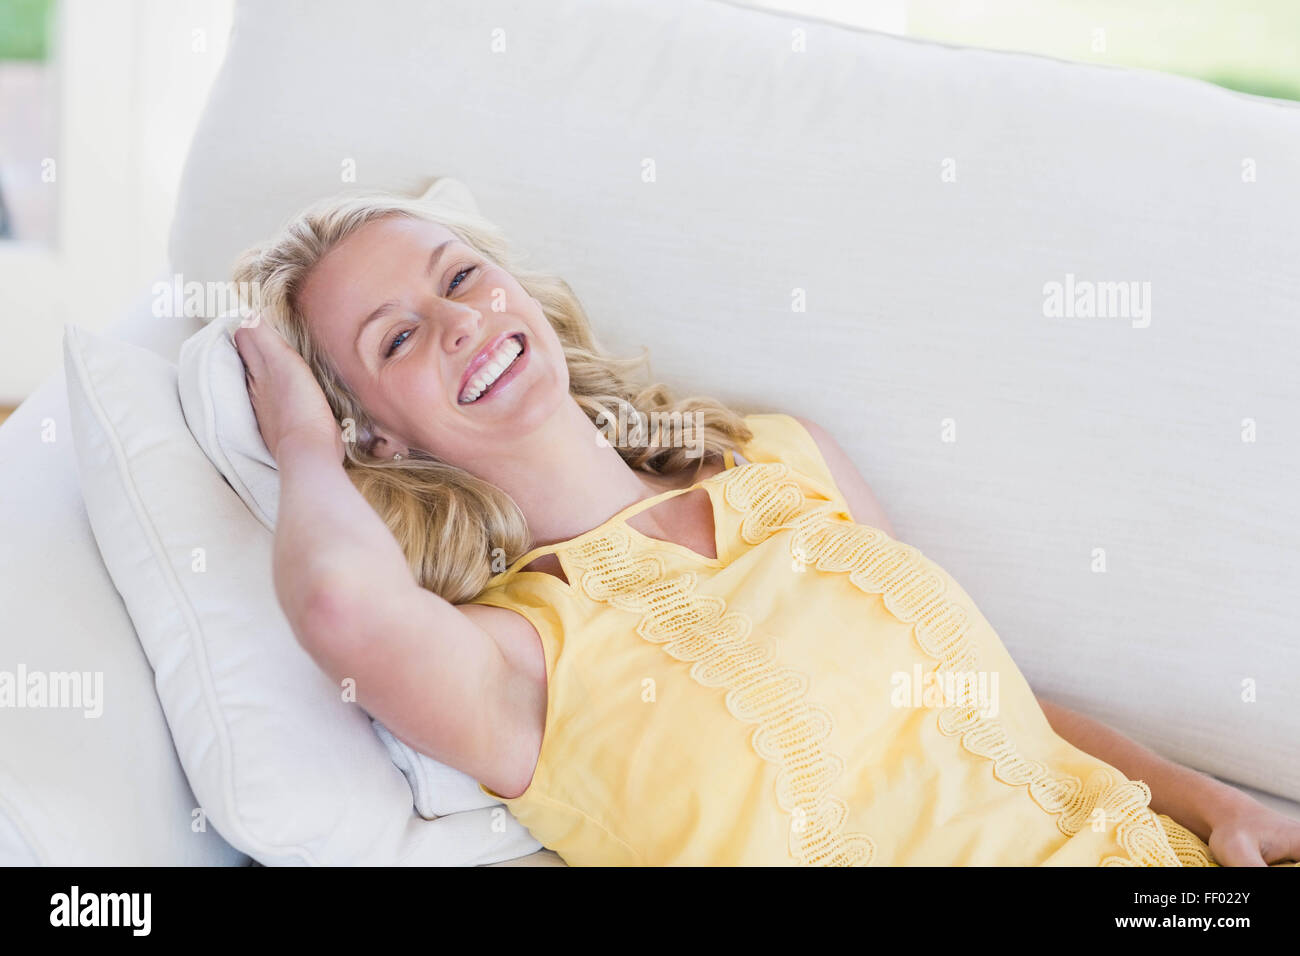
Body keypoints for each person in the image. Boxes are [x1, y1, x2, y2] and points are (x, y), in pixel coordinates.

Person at [230, 185, 1299, 866]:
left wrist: (1218, 805)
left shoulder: (781, 458)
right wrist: (302, 444)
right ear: (370, 429)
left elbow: (993, 698)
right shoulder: (517, 660)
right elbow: (338, 601)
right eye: (400, 336)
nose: (461, 318)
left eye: (462, 276)